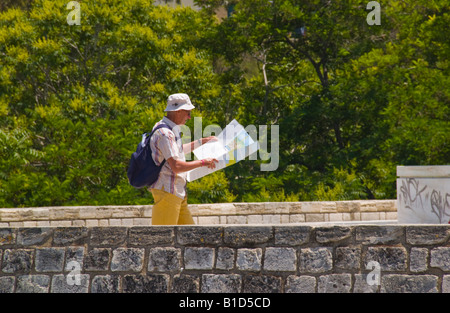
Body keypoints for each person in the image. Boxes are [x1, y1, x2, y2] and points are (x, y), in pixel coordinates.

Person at [149, 93, 218, 225]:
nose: (189, 117)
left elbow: (178, 152)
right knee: (163, 240)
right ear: (178, 111)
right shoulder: (165, 133)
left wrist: (203, 141)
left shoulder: (167, 129)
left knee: (191, 240)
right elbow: (176, 166)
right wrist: (203, 162)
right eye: (188, 113)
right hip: (168, 193)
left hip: (176, 192)